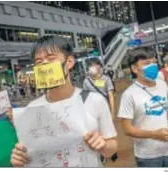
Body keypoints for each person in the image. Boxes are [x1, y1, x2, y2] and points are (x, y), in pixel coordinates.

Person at [10, 35, 118, 167]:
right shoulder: (32, 109)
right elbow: (30, 154)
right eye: (38, 61)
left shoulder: (94, 100)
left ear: (69, 62)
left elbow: (111, 148)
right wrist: (20, 159)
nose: (44, 63)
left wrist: (103, 145)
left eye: (50, 58)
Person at [118, 48, 168, 167]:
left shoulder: (162, 85)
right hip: (148, 156)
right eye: (146, 63)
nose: (152, 66)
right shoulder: (129, 95)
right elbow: (127, 129)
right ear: (135, 69)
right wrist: (154, 134)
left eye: (154, 62)